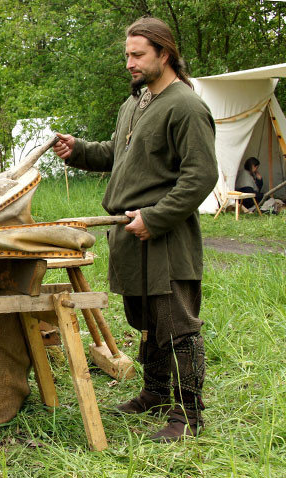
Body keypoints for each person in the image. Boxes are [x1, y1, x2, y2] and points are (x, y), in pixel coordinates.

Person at [53, 16, 218, 442]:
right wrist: (79, 150)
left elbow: (200, 176)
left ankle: (188, 414)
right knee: (146, 321)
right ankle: (156, 393)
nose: (129, 62)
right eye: (127, 54)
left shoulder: (185, 105)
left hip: (165, 236)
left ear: (164, 53)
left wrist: (156, 217)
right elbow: (118, 154)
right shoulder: (136, 102)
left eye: (138, 54)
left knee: (176, 325)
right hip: (129, 233)